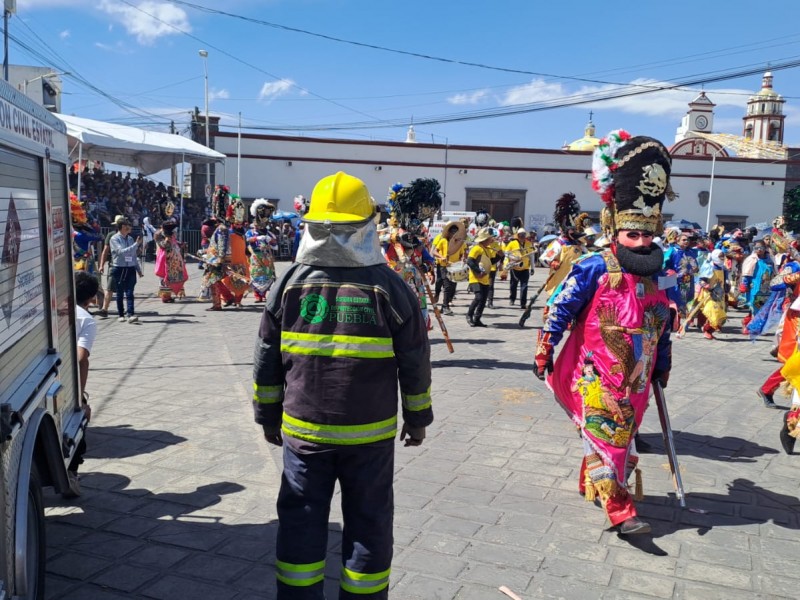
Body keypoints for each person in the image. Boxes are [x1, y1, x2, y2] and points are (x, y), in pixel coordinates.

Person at [252, 171, 432, 599]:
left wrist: (267, 416)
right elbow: (415, 359)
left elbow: (266, 359)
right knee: (369, 522)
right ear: (367, 226)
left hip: (304, 434)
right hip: (369, 437)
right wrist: (418, 418)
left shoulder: (288, 284)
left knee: (300, 520)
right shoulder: (391, 287)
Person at [534, 130, 677, 535]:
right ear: (615, 230)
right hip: (595, 373)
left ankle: (592, 481)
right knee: (607, 433)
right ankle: (619, 508)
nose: (642, 241)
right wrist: (545, 347)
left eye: (648, 235)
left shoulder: (661, 275)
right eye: (634, 235)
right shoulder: (595, 266)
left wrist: (662, 364)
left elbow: (662, 326)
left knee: (623, 436)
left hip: (637, 378)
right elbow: (560, 306)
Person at [67, 271, 99, 497]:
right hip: (67, 382)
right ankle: (71, 473)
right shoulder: (86, 319)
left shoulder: (55, 308)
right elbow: (81, 358)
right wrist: (80, 398)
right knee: (78, 423)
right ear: (91, 298)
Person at [538, 193, 591, 317]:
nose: (574, 232)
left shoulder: (579, 244)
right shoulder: (559, 243)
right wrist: (552, 262)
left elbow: (588, 255)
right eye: (572, 229)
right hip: (559, 279)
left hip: (575, 279)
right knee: (557, 300)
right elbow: (545, 257)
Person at [109, 217, 143, 322]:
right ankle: (121, 314)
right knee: (120, 292)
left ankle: (130, 314)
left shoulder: (130, 239)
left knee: (130, 292)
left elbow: (133, 255)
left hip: (130, 268)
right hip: (119, 268)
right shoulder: (114, 239)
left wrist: (138, 268)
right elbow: (121, 252)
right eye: (128, 225)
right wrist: (136, 245)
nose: (130, 227)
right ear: (123, 227)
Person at [432, 221, 466, 316]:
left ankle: (445, 305)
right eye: (453, 232)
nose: (455, 234)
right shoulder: (443, 241)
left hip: (455, 267)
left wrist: (463, 259)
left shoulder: (460, 243)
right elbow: (434, 251)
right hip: (444, 266)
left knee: (451, 287)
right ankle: (445, 306)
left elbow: (462, 254)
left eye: (456, 232)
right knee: (446, 285)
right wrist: (441, 257)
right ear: (449, 233)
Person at [247, 199, 278, 302]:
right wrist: (256, 238)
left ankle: (263, 295)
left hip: (266, 256)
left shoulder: (268, 233)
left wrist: (270, 240)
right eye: (258, 225)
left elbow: (275, 244)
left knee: (266, 275)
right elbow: (247, 239)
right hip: (255, 255)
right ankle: (257, 295)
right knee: (256, 275)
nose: (260, 226)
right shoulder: (251, 232)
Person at [466, 227, 498, 327]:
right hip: (475, 278)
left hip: (485, 279)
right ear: (485, 240)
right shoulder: (476, 248)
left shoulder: (487, 250)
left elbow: (490, 262)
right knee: (478, 297)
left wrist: (500, 256)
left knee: (483, 300)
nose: (491, 240)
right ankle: (469, 315)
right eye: (489, 239)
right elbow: (470, 261)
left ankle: (477, 319)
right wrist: (478, 271)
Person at [740, 240, 773, 333]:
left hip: (766, 288)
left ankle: (748, 324)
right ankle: (753, 327)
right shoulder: (752, 259)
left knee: (762, 308)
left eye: (761, 248)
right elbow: (747, 273)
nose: (759, 250)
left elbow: (773, 273)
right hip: (755, 287)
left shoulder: (769, 260)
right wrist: (744, 284)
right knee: (756, 307)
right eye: (757, 248)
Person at [154, 219, 188, 302]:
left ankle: (170, 295)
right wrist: (167, 239)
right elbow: (163, 245)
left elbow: (174, 242)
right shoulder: (158, 234)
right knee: (164, 277)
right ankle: (165, 296)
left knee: (175, 276)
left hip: (174, 258)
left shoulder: (171, 234)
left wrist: (180, 244)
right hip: (164, 258)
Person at [668, 232, 699, 316]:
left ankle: (683, 324)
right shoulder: (672, 251)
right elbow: (665, 264)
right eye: (684, 240)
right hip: (675, 280)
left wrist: (695, 269)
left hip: (687, 280)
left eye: (687, 240)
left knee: (685, 300)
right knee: (675, 299)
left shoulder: (690, 252)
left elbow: (695, 265)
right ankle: (675, 322)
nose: (686, 241)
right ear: (677, 241)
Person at [505, 228, 534, 309]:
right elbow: (506, 253)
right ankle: (512, 298)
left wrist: (532, 268)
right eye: (520, 235)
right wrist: (514, 257)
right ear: (517, 235)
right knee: (513, 285)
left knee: (524, 286)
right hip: (515, 267)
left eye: (524, 235)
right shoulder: (512, 243)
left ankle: (523, 303)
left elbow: (531, 256)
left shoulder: (529, 244)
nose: (522, 236)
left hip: (525, 268)